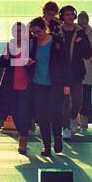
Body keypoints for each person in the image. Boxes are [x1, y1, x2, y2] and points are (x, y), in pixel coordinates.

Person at [28, 17, 70, 156]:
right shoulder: (33, 43)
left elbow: (65, 62)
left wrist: (66, 83)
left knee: (56, 114)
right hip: (38, 84)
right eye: (33, 32)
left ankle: (58, 138)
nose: (36, 35)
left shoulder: (56, 41)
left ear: (44, 28)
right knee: (42, 116)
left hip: (55, 84)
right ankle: (46, 145)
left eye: (38, 31)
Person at [0, 22, 32, 155]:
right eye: (15, 31)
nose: (17, 34)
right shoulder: (10, 45)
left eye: (20, 31)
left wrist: (13, 60)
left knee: (24, 112)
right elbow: (3, 63)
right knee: (14, 112)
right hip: (11, 84)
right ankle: (23, 134)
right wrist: (8, 58)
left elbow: (33, 62)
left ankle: (23, 139)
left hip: (26, 84)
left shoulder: (30, 45)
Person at [56, 6, 92, 139]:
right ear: (62, 16)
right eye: (67, 15)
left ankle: (72, 120)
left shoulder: (81, 32)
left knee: (77, 101)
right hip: (61, 74)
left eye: (72, 14)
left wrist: (81, 43)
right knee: (64, 101)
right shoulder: (57, 32)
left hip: (76, 72)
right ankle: (65, 127)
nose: (70, 17)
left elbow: (88, 53)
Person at [77, 11, 92, 130]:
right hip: (76, 67)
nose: (82, 21)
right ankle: (74, 120)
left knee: (85, 93)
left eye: (84, 18)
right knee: (74, 94)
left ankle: (84, 121)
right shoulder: (75, 31)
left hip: (87, 66)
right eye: (80, 18)